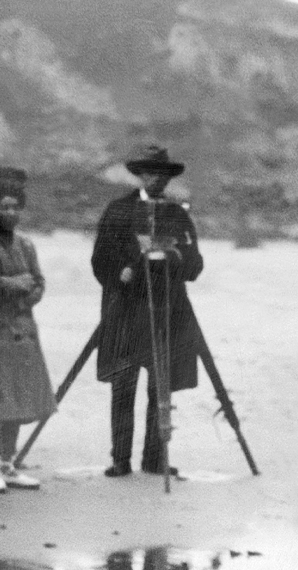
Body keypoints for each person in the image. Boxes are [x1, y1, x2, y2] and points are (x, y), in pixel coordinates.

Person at [91, 145, 204, 477]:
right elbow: (100, 259)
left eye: (163, 175)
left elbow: (195, 264)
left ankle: (155, 458)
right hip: (126, 310)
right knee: (123, 383)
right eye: (151, 173)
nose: (157, 180)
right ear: (140, 175)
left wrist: (173, 259)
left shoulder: (177, 214)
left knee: (161, 386)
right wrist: (120, 272)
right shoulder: (118, 211)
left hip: (167, 309)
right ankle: (120, 459)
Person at [0, 166, 56, 492]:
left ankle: (8, 463)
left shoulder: (26, 244)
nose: (10, 212)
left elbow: (39, 282)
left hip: (23, 330)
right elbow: (22, 281)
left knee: (19, 401)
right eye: (4, 206)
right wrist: (11, 283)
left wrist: (30, 292)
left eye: (14, 207)